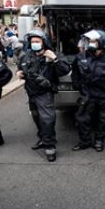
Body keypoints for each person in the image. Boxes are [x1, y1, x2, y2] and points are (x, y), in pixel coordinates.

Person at [16, 30, 70, 162]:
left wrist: (55, 60)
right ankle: (42, 138)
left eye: (37, 41)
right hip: (31, 92)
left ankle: (50, 147)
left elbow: (65, 70)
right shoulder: (26, 55)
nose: (34, 44)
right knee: (36, 117)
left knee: (47, 119)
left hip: (45, 93)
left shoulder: (52, 54)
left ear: (44, 42)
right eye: (32, 42)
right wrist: (19, 73)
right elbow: (21, 67)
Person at [71, 29, 105, 152]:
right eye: (88, 41)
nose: (89, 43)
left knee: (104, 119)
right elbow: (75, 72)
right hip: (88, 94)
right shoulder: (81, 56)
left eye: (93, 41)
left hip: (104, 94)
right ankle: (85, 141)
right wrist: (77, 85)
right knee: (82, 119)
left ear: (102, 42)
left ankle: (99, 140)